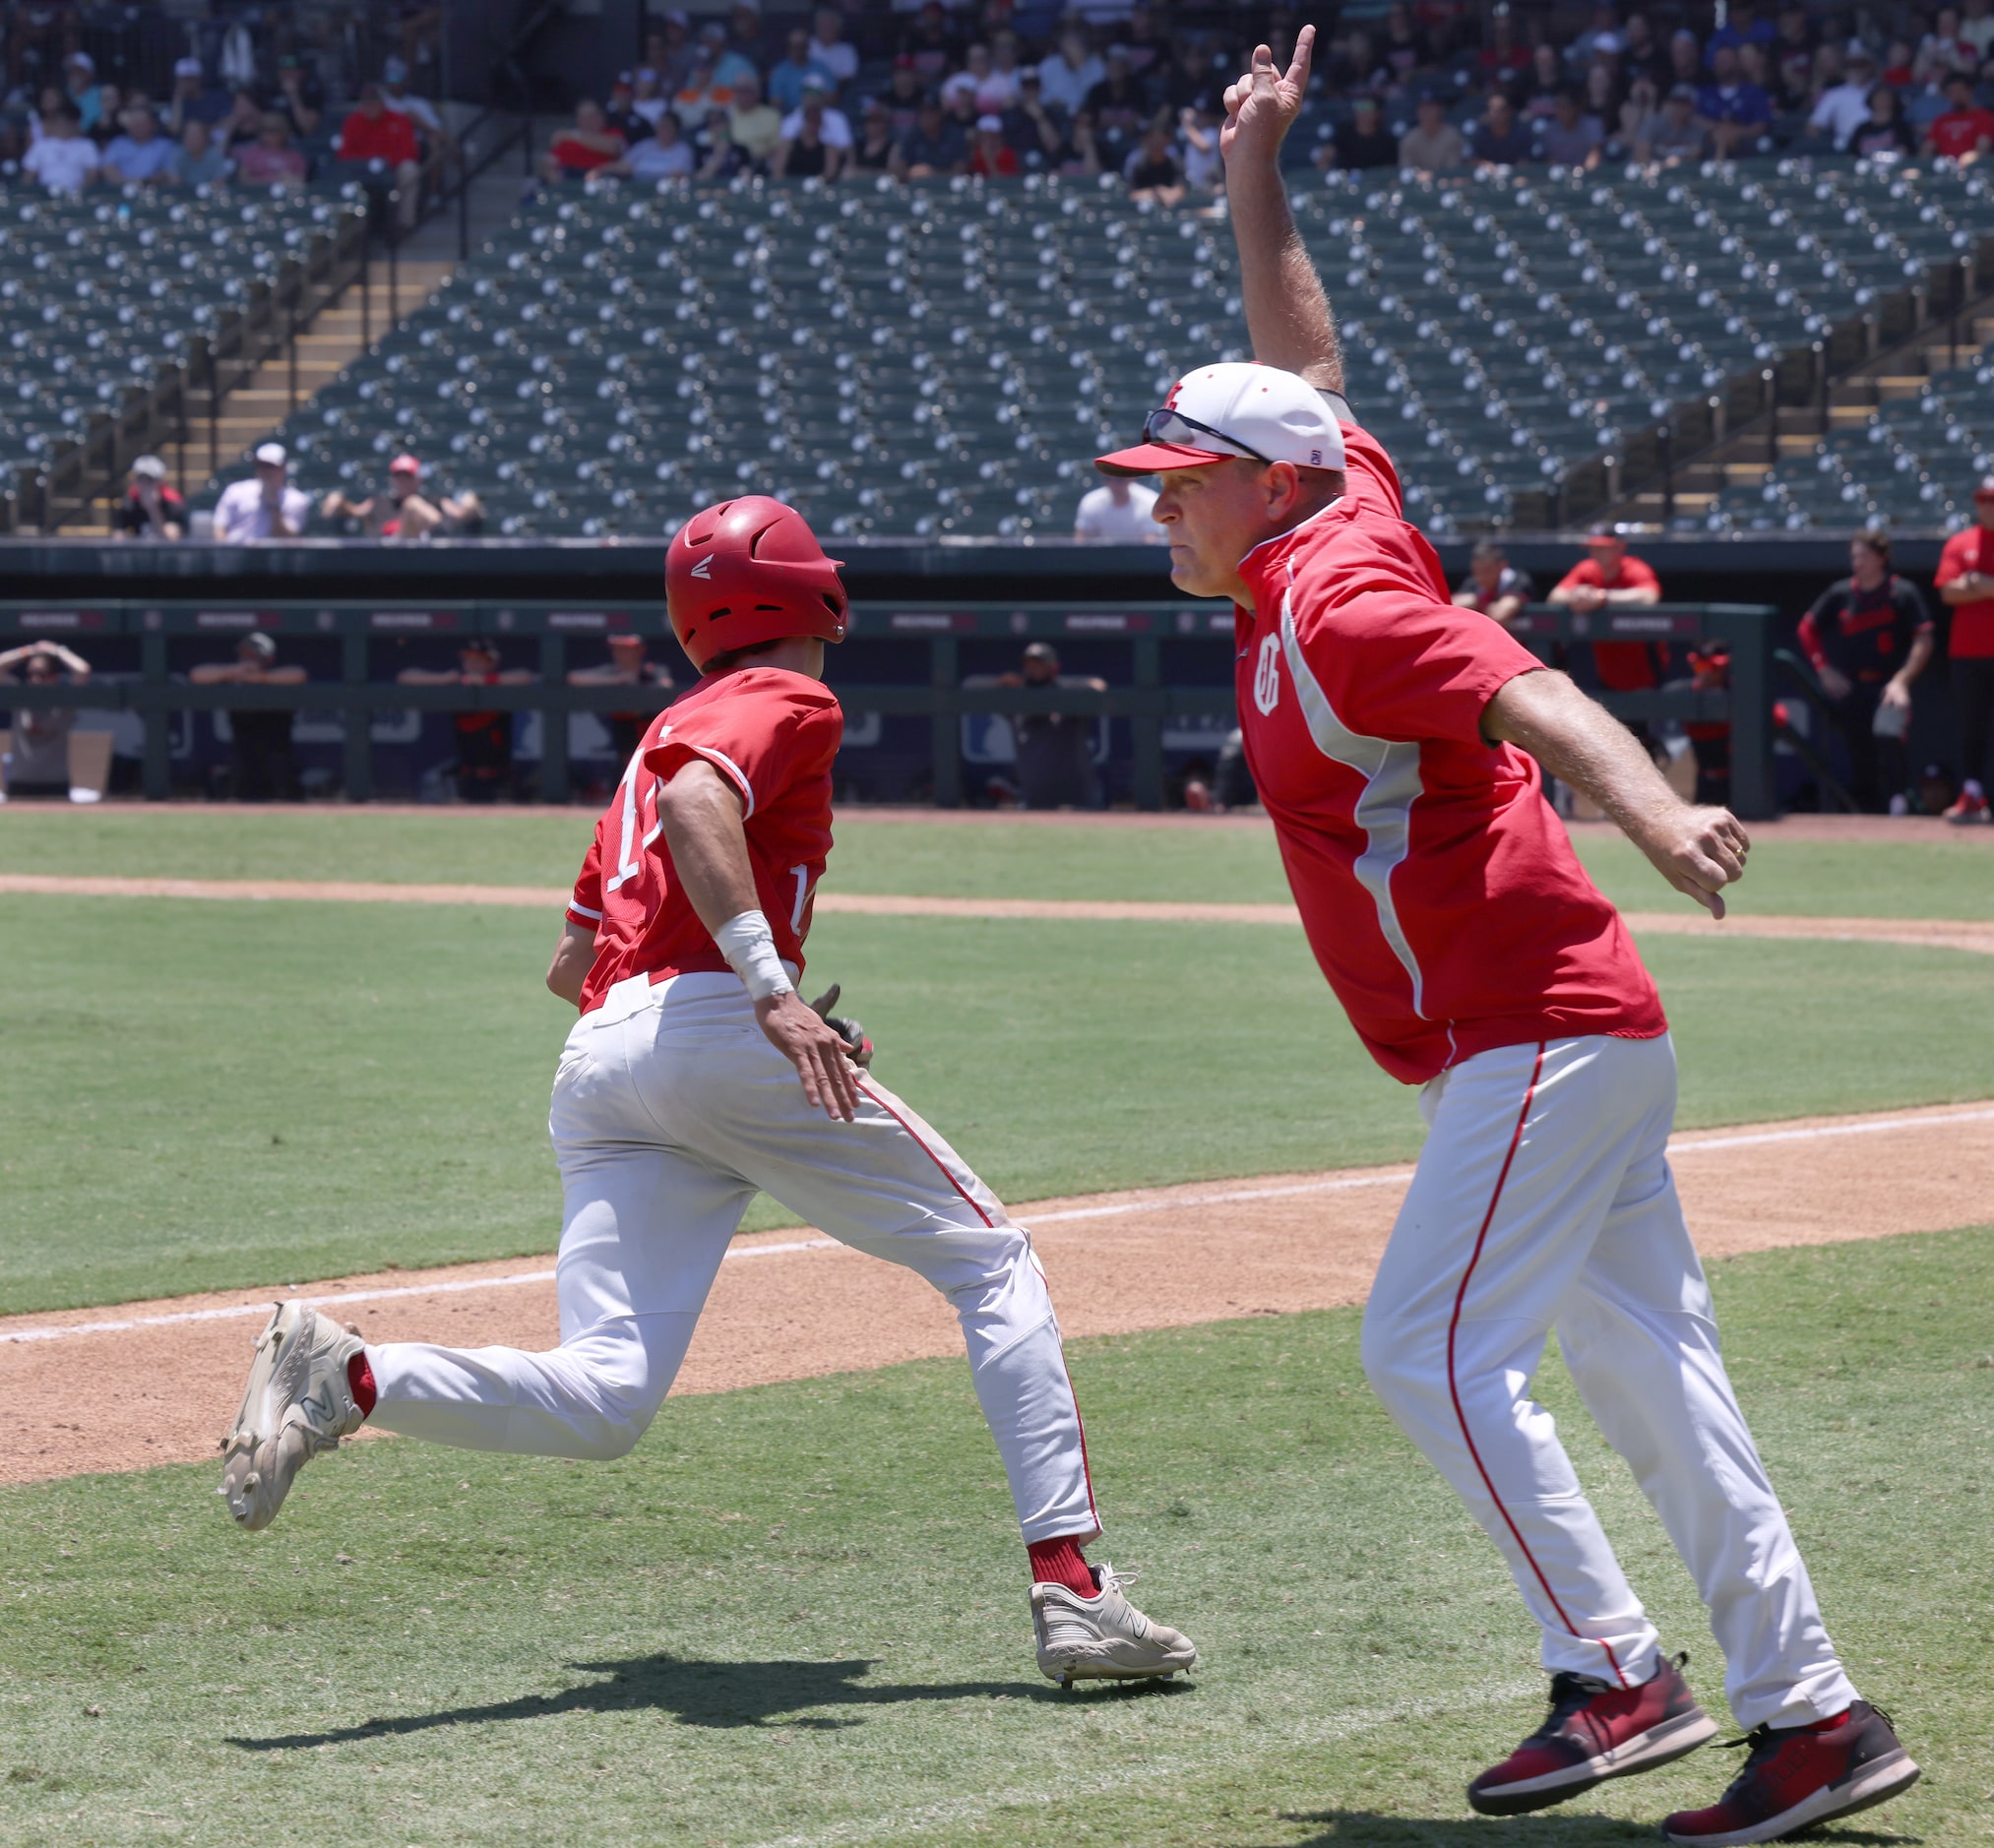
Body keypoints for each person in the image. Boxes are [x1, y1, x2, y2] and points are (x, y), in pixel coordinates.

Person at [1095, 31, 1920, 1844]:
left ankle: (1616, 1671)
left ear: (1269, 493)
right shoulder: (1334, 494)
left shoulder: (1347, 601)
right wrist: (1255, 164)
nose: (1159, 493)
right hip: (1560, 1029)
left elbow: (1534, 691)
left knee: (1426, 1351)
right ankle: (1815, 1718)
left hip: (1535, 1025)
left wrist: (1648, 809)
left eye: (1181, 474)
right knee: (1651, 1379)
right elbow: (1305, 360)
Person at [218, 494, 1199, 1694]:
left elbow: (572, 966)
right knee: (991, 1260)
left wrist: (742, 1017)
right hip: (706, 1028)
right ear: (809, 590)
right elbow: (702, 809)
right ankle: (1074, 1589)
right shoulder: (791, 695)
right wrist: (769, 998)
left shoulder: (656, 735)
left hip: (607, 1062)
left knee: (605, 1398)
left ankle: (349, 1375)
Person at [1795, 529, 1932, 814]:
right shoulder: (1841, 593)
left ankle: (1899, 801)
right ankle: (1869, 815)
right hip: (1853, 687)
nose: (1857, 562)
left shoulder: (1902, 592)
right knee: (1860, 754)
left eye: (1864, 556)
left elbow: (1924, 638)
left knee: (1888, 732)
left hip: (1888, 684)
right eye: (1854, 556)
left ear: (1882, 558)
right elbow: (1807, 628)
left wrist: (1902, 680)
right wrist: (1823, 668)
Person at [396, 637, 533, 803]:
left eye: (478, 659)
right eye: (469, 659)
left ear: (492, 662)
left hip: (498, 773)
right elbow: (405, 677)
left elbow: (526, 676)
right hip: (465, 770)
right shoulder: (457, 684)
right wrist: (443, 679)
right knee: (431, 780)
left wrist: (485, 680)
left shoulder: (502, 685)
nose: (472, 664)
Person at [1548, 527, 1665, 716]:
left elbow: (1649, 596)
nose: (1596, 552)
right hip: (1606, 670)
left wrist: (1601, 597)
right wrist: (1576, 596)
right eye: (1593, 547)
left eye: (1602, 547)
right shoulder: (1587, 569)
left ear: (1619, 547)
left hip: (1645, 669)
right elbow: (1555, 597)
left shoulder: (1634, 568)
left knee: (1646, 731)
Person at [1933, 474, 1994, 822]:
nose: (1989, 506)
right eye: (1984, 499)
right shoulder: (1961, 542)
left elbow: (1965, 586)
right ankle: (1972, 795)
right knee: (1973, 727)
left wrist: (1978, 582)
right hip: (1968, 652)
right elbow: (1948, 591)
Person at [190, 632, 307, 802]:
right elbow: (196, 674)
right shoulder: (234, 677)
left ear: (268, 659)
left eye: (253, 654)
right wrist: (235, 671)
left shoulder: (278, 678)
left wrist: (260, 677)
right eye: (244, 653)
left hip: (278, 767)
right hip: (244, 766)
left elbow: (299, 674)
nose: (246, 658)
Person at [995, 642, 1105, 810]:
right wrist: (1001, 684)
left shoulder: (1067, 696)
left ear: (1053, 668)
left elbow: (1097, 687)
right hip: (1034, 798)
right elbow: (983, 690)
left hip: (1077, 798)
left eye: (1039, 665)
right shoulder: (1017, 699)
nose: (1032, 669)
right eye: (1028, 665)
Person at [568, 632, 677, 766]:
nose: (621, 653)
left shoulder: (653, 670)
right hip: (621, 739)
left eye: (626, 649)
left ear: (640, 650)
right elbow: (574, 678)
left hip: (652, 735)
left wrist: (638, 692)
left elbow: (666, 686)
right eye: (618, 649)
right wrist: (618, 680)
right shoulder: (611, 672)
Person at [0, 641, 90, 799]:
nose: (35, 679)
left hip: (56, 783)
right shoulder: (19, 696)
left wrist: (57, 651)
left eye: (41, 674)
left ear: (53, 677)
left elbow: (82, 670)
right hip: (20, 782)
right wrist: (27, 651)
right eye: (31, 674)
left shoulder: (63, 701)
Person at [334, 84, 422, 226]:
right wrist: (365, 163)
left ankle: (405, 224)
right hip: (362, 171)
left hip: (392, 169)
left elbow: (410, 151)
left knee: (409, 169)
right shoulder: (353, 122)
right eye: (367, 103)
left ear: (382, 103)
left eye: (374, 102)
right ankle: (351, 229)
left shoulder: (398, 120)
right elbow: (344, 154)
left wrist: (387, 161)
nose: (370, 106)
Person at [321, 453, 443, 539]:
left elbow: (445, 521)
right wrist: (339, 501)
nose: (403, 481)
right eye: (398, 476)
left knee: (412, 504)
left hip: (417, 559)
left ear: (418, 479)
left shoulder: (430, 501)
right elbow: (354, 511)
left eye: (407, 476)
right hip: (382, 560)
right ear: (392, 480)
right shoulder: (378, 502)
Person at [213, 443, 311, 543]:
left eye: (270, 466)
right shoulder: (235, 491)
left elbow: (285, 538)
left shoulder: (297, 500)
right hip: (236, 552)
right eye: (261, 465)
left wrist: (273, 505)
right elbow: (220, 528)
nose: (264, 471)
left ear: (283, 469)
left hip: (272, 556)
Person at [775, 78, 850, 178]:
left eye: (816, 92)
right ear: (802, 95)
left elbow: (846, 151)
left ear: (823, 95)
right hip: (794, 173)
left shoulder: (838, 119)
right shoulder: (790, 120)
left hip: (827, 173)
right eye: (809, 92)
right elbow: (783, 152)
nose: (813, 97)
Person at [541, 97, 627, 184]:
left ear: (601, 116)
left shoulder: (613, 133)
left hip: (604, 180)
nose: (588, 121)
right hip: (571, 181)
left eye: (591, 116)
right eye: (583, 117)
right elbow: (550, 161)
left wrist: (573, 135)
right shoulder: (568, 140)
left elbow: (613, 148)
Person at [1453, 538, 1534, 626]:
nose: (1481, 577)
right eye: (1476, 572)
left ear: (1502, 566)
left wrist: (1479, 602)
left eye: (1487, 571)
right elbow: (1450, 608)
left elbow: (1498, 616)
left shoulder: (1517, 580)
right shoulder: (1472, 582)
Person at [22, 101, 98, 195]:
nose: (63, 125)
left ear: (75, 123)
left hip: (76, 195)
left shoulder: (86, 145)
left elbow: (92, 176)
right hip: (44, 194)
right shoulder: (41, 145)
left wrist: (78, 190)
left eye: (68, 121)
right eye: (59, 120)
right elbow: (28, 176)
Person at [1807, 45, 1875, 148]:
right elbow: (1813, 126)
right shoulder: (1834, 94)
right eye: (1851, 65)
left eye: (1860, 64)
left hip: (1878, 142)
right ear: (1846, 68)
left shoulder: (1881, 90)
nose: (1856, 69)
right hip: (1845, 145)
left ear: (1869, 66)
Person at [1073, 466, 1159, 542]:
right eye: (1108, 479)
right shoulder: (1090, 502)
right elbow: (1082, 542)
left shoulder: (1150, 502)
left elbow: (1151, 545)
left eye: (1120, 479)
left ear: (1132, 478)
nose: (1114, 484)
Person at [1922, 69, 1994, 159]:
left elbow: (1983, 147)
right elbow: (1927, 148)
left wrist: (1968, 160)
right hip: (1944, 168)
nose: (1956, 95)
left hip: (1974, 168)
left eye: (1960, 90)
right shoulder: (1941, 120)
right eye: (1951, 92)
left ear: (1970, 91)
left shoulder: (1984, 117)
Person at [1316, 94, 1399, 170]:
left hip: (1376, 183)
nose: (1363, 113)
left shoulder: (1387, 140)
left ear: (1377, 113)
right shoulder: (1344, 133)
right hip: (1347, 182)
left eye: (1368, 108)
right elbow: (1325, 157)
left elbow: (1389, 169)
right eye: (1360, 108)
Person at [100, 102, 175, 185]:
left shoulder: (165, 146)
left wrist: (147, 181)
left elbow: (170, 173)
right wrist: (130, 182)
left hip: (154, 191)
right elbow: (108, 168)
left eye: (141, 124)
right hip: (121, 190)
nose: (137, 126)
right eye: (134, 123)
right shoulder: (118, 143)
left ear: (152, 125)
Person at [113, 455, 185, 539]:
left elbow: (170, 538)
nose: (144, 484)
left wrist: (153, 509)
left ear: (160, 481)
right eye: (140, 478)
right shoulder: (130, 504)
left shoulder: (172, 503)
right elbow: (118, 536)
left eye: (149, 479)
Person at [611, 108, 696, 180]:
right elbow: (623, 165)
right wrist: (600, 170)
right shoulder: (645, 145)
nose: (663, 130)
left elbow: (677, 175)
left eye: (667, 127)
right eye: (660, 126)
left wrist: (638, 170)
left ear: (676, 130)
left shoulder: (683, 150)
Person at [1398, 92, 1466, 173]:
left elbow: (1453, 171)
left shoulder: (1452, 136)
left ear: (1440, 110)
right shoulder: (1409, 139)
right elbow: (1405, 171)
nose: (1427, 111)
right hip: (1416, 184)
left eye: (1431, 107)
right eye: (1423, 107)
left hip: (1446, 183)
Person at [1638, 84, 1707, 162]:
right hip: (1651, 171)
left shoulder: (1697, 129)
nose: (1679, 108)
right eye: (1676, 103)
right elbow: (1641, 156)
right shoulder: (1653, 123)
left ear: (1693, 107)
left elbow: (1695, 155)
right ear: (1669, 104)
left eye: (1684, 104)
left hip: (1682, 172)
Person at [235, 114, 306, 188]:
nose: (267, 133)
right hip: (257, 195)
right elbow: (243, 181)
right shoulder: (252, 154)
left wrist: (288, 180)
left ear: (283, 131)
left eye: (272, 130)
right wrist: (272, 182)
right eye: (264, 129)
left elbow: (301, 182)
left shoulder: (295, 156)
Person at [1468, 91, 1535, 165]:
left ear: (1509, 111)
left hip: (1515, 175)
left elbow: (1525, 162)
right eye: (1492, 109)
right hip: (1488, 174)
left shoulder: (1522, 134)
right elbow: (1472, 160)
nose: (1496, 114)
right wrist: (1483, 164)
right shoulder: (1480, 133)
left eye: (1501, 110)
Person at [1123, 120, 1183, 202]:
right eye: (1153, 138)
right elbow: (1132, 194)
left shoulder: (1174, 163)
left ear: (1168, 140)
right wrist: (1154, 193)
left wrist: (1166, 194)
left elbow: (1180, 190)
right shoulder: (1139, 165)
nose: (1156, 142)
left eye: (1160, 139)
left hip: (1171, 206)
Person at [1849, 81, 1914, 155]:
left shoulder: (1901, 127)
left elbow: (1907, 152)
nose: (1882, 101)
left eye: (1886, 98)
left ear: (1893, 101)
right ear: (1872, 101)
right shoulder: (1862, 129)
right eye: (1879, 98)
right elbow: (1851, 155)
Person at [170, 117, 232, 188]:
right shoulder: (178, 154)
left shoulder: (215, 154)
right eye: (189, 135)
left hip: (210, 196)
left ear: (205, 138)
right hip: (183, 196)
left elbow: (220, 182)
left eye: (195, 135)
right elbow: (174, 182)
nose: (192, 139)